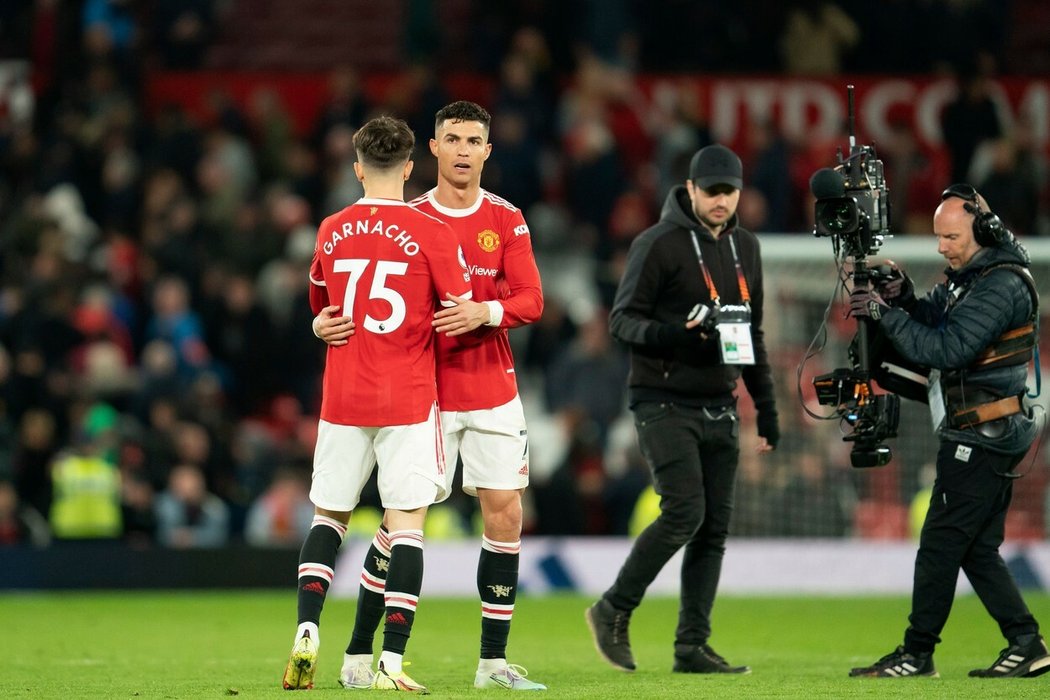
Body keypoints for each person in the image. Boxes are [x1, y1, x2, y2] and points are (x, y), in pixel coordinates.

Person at [314, 100, 546, 691]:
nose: (464, 150)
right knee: (398, 529)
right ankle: (360, 654)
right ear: (432, 151)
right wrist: (322, 324)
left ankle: (492, 663)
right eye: (453, 139)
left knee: (506, 514)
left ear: (488, 151)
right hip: (429, 394)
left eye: (475, 140)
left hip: (493, 390)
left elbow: (532, 299)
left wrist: (484, 310)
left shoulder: (507, 217)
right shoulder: (409, 220)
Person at [282, 115, 473, 692]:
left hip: (343, 396)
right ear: (412, 168)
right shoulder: (433, 231)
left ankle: (308, 629)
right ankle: (390, 661)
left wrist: (320, 326)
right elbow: (460, 311)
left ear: (358, 168)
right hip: (408, 398)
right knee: (407, 528)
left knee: (329, 518)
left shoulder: (331, 228)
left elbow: (323, 309)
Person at [585, 144, 779, 674]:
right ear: (690, 189)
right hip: (663, 399)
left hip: (720, 402)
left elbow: (750, 333)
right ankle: (612, 608)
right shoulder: (658, 244)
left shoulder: (748, 248)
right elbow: (621, 321)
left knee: (713, 528)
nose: (721, 200)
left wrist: (766, 406)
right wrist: (676, 335)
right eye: (711, 190)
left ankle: (692, 645)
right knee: (685, 513)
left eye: (729, 191)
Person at [848, 184, 1049, 679]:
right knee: (976, 549)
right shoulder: (975, 276)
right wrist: (905, 298)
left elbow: (948, 350)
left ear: (981, 231)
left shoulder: (1001, 284)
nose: (941, 247)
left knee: (939, 545)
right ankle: (1027, 643)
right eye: (939, 237)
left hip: (981, 435)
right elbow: (935, 321)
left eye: (951, 236)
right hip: (986, 430)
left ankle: (917, 654)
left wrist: (885, 314)